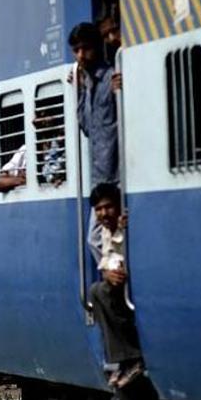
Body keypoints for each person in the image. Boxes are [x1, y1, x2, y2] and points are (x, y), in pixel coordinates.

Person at [69, 22, 121, 263]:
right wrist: (78, 91)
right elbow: (88, 128)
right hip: (100, 180)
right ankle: (114, 280)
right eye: (76, 50)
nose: (81, 55)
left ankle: (119, 283)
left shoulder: (112, 77)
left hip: (118, 176)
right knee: (96, 239)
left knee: (114, 237)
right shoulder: (86, 86)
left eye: (85, 48)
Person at [88, 183, 146, 389]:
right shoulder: (106, 230)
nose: (104, 213)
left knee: (99, 291)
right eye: (98, 210)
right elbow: (106, 260)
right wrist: (107, 273)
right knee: (97, 291)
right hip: (118, 284)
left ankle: (131, 357)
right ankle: (122, 361)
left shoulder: (125, 225)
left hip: (131, 283)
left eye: (108, 207)